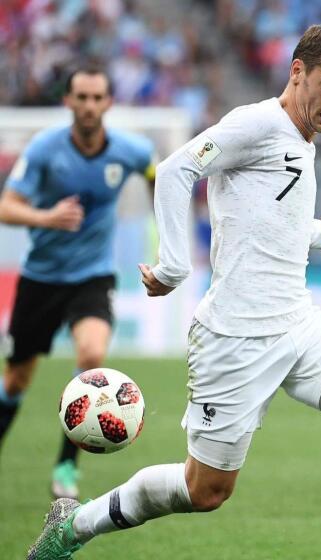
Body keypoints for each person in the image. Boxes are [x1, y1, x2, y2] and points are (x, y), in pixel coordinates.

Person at [27, 25, 321, 560]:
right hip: (236, 338)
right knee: (204, 490)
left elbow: (263, 222)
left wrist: (317, 231)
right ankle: (75, 525)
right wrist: (172, 264)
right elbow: (174, 170)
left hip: (299, 325)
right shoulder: (258, 123)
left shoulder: (300, 136)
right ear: (297, 71)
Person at [0, 67, 155, 500]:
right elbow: (7, 207)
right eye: (81, 97)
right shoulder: (46, 149)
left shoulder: (132, 150)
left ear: (108, 103)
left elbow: (160, 177)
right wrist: (46, 217)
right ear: (68, 101)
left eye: (97, 98)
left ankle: (66, 468)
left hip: (93, 274)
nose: (89, 106)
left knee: (91, 356)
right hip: (42, 277)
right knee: (16, 380)